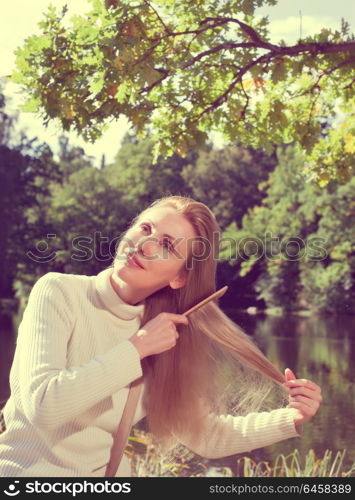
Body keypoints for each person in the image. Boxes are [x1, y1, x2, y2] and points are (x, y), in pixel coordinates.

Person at [0, 195, 322, 477]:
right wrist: (134, 350)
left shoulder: (163, 337)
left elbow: (206, 435)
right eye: (145, 228)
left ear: (180, 277)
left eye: (167, 245)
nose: (145, 244)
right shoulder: (59, 292)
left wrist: (290, 417)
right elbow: (41, 407)